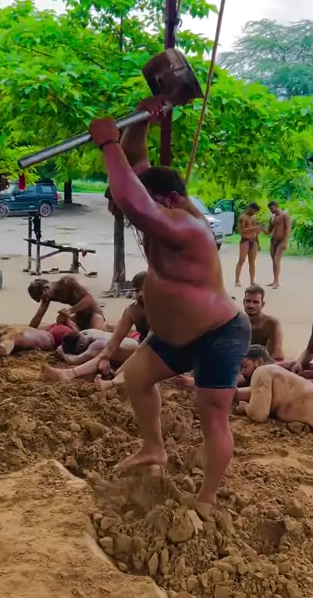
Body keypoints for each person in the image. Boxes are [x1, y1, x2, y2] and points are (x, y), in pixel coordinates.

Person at [88, 97, 251, 509]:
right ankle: (153, 447)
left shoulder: (186, 226)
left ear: (173, 200)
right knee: (136, 376)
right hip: (174, 336)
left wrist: (108, 144)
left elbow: (134, 200)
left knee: (211, 413)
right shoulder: (163, 207)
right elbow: (136, 165)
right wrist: (142, 120)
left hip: (218, 334)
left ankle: (207, 497)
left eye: (152, 202)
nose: (130, 213)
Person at [43, 271, 150, 386]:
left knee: (107, 352)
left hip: (157, 353)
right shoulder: (132, 311)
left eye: (143, 290)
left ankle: (73, 373)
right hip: (142, 349)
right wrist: (106, 357)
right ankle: (70, 373)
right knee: (103, 349)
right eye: (137, 290)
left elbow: (154, 342)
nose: (140, 294)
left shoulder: (162, 308)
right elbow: (115, 340)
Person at [0, 315, 76, 357]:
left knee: (80, 339)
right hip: (52, 329)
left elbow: (3, 350)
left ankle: (72, 324)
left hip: (58, 339)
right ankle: (71, 322)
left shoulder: (7, 337)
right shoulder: (1, 328)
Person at [28, 276, 105, 331]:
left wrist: (70, 311)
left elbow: (89, 299)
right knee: (59, 322)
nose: (46, 299)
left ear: (46, 288)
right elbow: (39, 314)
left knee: (95, 334)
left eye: (45, 297)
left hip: (93, 312)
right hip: (79, 315)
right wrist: (29, 330)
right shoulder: (48, 295)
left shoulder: (67, 282)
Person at [243, 284, 284, 361]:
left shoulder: (272, 324)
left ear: (262, 304)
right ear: (243, 302)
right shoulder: (239, 322)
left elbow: (272, 354)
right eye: (248, 301)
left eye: (255, 302)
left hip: (271, 363)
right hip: (247, 362)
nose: (251, 305)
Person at [235, 203, 266, 287]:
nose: (255, 213)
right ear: (250, 208)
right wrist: (255, 228)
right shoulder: (242, 217)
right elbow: (242, 230)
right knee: (241, 260)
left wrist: (258, 243)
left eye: (256, 211)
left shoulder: (254, 218)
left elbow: (256, 232)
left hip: (254, 240)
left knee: (252, 262)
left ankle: (252, 281)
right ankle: (237, 280)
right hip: (245, 240)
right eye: (254, 211)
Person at [267, 200, 291, 289]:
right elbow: (268, 230)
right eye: (270, 209)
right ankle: (274, 280)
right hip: (273, 241)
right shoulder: (272, 218)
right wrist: (258, 229)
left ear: (276, 206)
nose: (271, 210)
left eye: (272, 208)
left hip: (281, 241)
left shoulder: (285, 215)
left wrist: (285, 241)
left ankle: (276, 281)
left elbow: (288, 228)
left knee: (277, 260)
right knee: (274, 261)